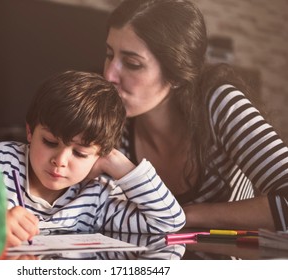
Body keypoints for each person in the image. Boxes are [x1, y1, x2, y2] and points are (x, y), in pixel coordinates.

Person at [103, 0, 288, 231]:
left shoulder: (220, 104)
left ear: (177, 73)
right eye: (109, 55)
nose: (109, 74)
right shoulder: (107, 118)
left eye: (132, 64)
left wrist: (185, 215)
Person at [0, 70, 185, 247]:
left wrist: (118, 163)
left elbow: (169, 221)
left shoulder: (96, 197)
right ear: (30, 131)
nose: (60, 160)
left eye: (80, 153)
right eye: (49, 141)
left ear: (99, 155)